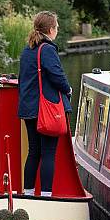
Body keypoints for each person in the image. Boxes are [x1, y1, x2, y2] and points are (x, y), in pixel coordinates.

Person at [18, 11, 72, 197]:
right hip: (45, 109)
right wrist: (68, 89)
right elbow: (57, 76)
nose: (57, 30)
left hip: (28, 108)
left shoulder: (28, 50)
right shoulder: (47, 49)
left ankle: (28, 193)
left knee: (34, 152)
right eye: (56, 27)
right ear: (51, 29)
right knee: (48, 153)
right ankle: (46, 197)